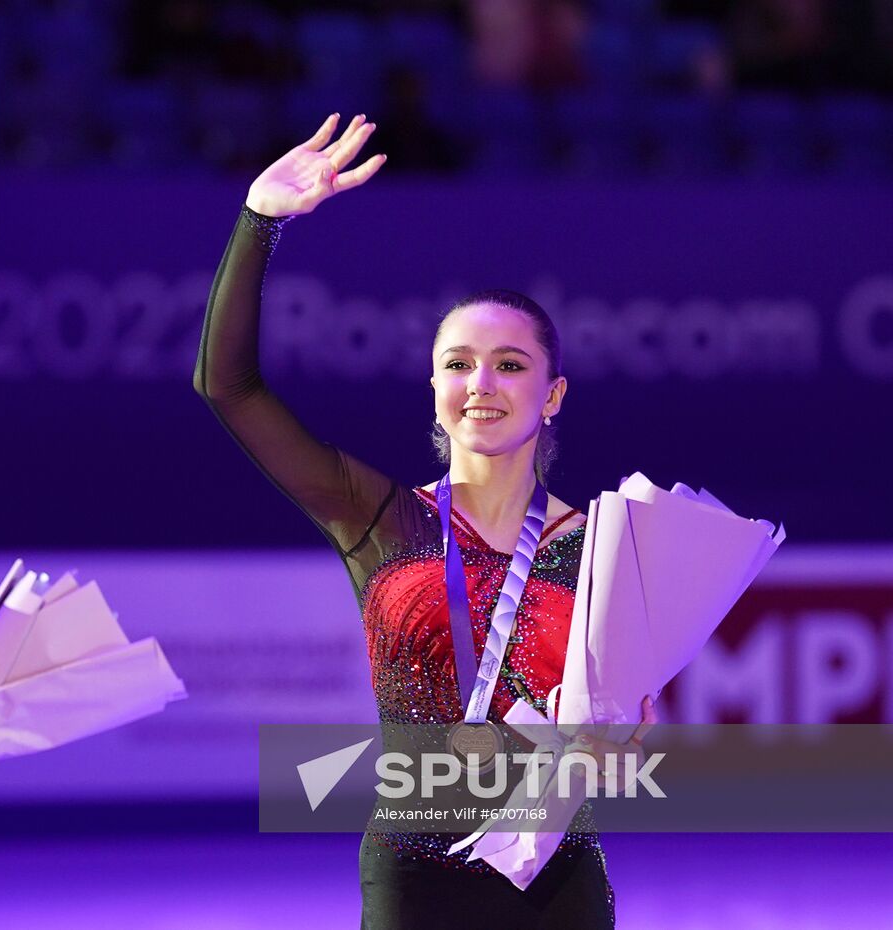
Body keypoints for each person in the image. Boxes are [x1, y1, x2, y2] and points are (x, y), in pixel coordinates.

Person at [194, 114, 656, 929]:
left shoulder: (602, 547)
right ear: (434, 386)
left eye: (511, 365)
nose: (482, 381)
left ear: (552, 395)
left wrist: (620, 740)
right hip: (415, 876)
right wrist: (259, 221)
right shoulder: (379, 517)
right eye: (458, 363)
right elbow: (227, 387)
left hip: (555, 873)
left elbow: (627, 739)